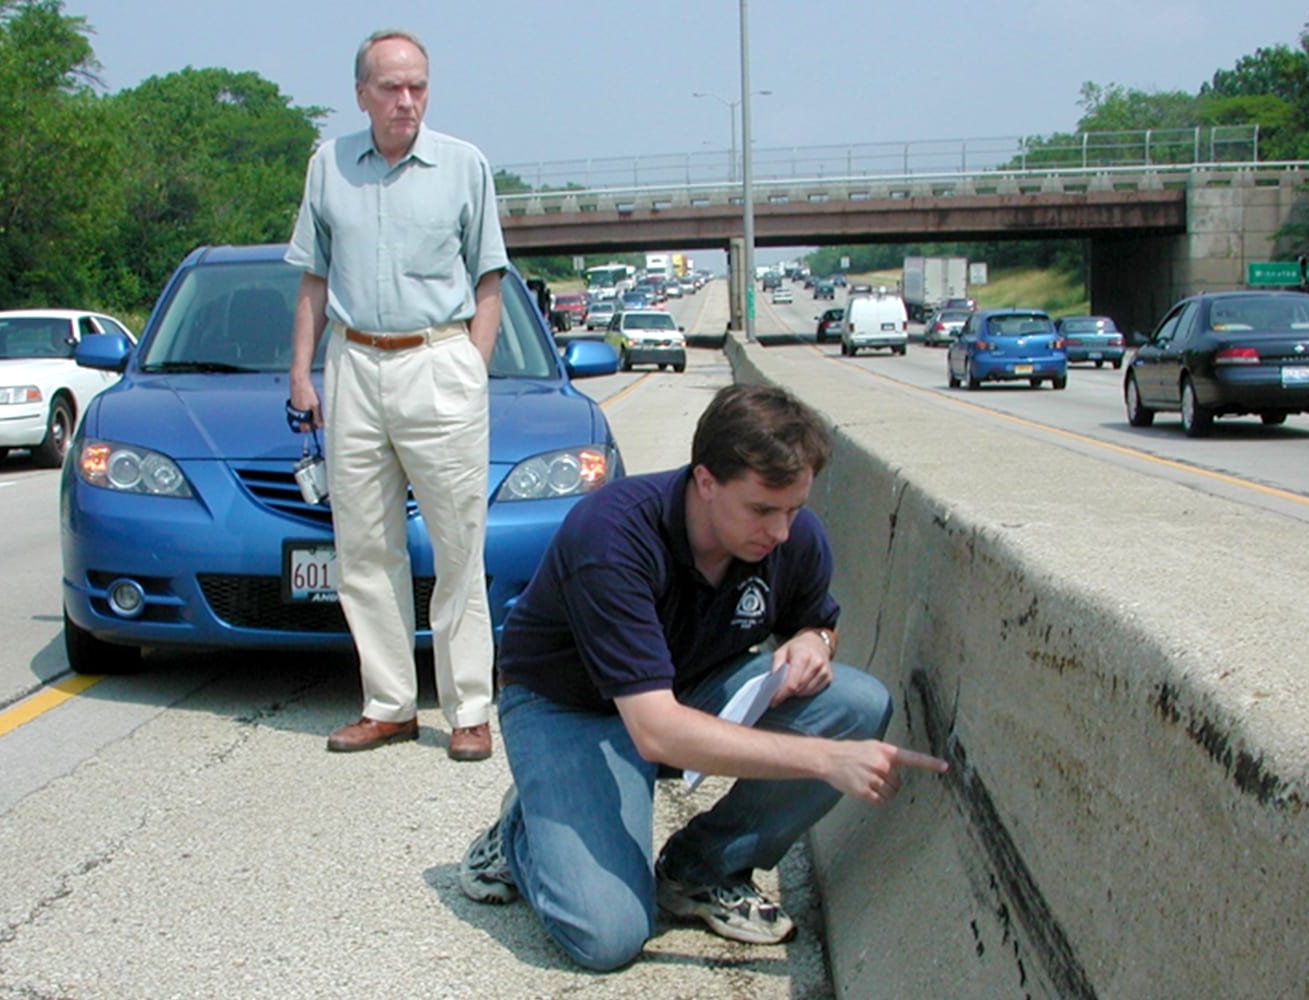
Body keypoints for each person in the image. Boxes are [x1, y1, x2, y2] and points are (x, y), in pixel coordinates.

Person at [457, 383, 950, 971]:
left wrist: (811, 642)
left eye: (794, 509)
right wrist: (824, 760)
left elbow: (819, 622)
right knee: (607, 936)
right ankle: (526, 827)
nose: (781, 532)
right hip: (570, 706)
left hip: (689, 683)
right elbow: (658, 733)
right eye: (763, 510)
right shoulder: (612, 537)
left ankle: (699, 870)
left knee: (855, 703)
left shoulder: (792, 539)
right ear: (706, 480)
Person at [285, 29, 509, 762]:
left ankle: (468, 707)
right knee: (363, 548)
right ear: (361, 94)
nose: (405, 100)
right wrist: (302, 373)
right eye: (390, 87)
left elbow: (489, 279)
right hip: (353, 364)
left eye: (416, 85)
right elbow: (313, 280)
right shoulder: (328, 166)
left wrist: (470, 366)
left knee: (456, 546)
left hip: (437, 360)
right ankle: (388, 704)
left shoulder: (463, 165)